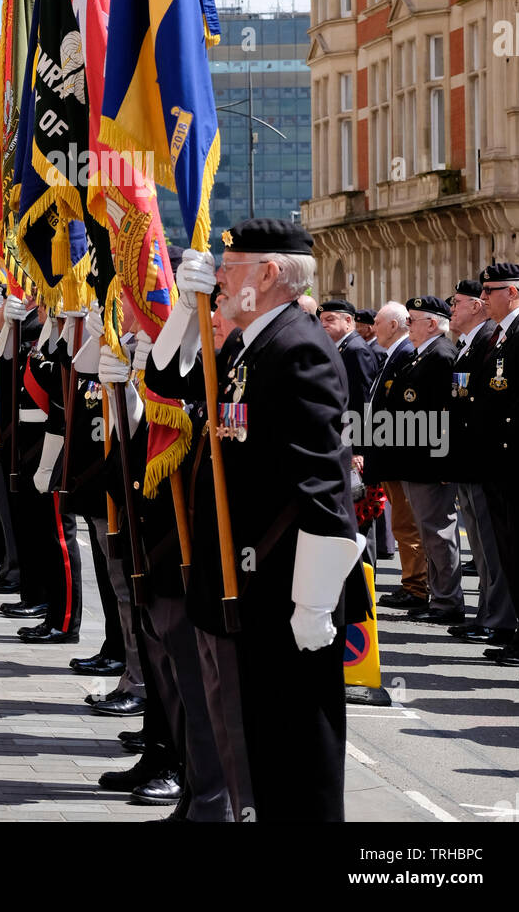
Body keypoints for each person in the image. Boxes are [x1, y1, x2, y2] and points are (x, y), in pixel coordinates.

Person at [145, 218, 366, 823]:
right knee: (250, 746)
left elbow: (324, 484)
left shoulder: (297, 348)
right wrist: (183, 319)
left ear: (268, 274)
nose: (218, 276)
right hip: (237, 580)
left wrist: (315, 602)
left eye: (229, 266)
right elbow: (166, 380)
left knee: (294, 755)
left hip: (279, 588)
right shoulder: (249, 344)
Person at [378, 297, 462, 626]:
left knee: (439, 534)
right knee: (429, 534)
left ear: (431, 324)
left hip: (429, 461)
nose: (407, 326)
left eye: (412, 320)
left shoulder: (441, 355)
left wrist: (444, 463)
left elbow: (447, 415)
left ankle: (448, 601)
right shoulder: (422, 355)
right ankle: (439, 596)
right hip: (414, 458)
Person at [466, 263, 519, 667]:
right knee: (512, 555)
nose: (483, 297)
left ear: (511, 292)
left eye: (489, 290)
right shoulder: (503, 334)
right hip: (501, 465)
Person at [445, 278, 515, 645]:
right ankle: (487, 611)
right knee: (482, 547)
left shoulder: (491, 340)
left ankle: (497, 616)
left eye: (457, 302)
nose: (451, 309)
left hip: (484, 459)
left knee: (491, 546)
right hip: (469, 457)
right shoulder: (469, 346)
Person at [362, 302, 425, 611]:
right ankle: (411, 582)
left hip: (399, 452)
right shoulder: (394, 353)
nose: (373, 327)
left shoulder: (405, 353)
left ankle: (416, 585)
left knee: (407, 523)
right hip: (388, 450)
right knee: (403, 524)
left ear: (393, 325)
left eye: (377, 322)